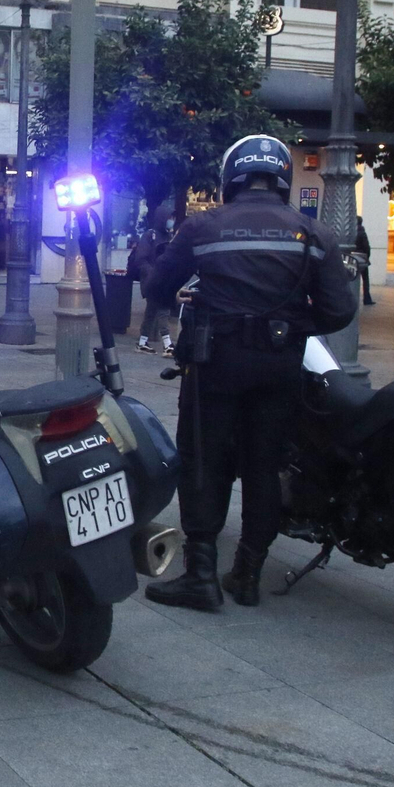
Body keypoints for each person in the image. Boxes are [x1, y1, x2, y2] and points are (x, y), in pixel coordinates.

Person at [143, 134, 356, 611]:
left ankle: (200, 576)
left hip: (214, 364)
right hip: (279, 366)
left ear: (231, 178)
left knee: (204, 460)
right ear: (282, 178)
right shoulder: (314, 233)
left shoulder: (203, 228)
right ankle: (247, 573)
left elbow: (156, 289)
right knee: (265, 466)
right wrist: (291, 324)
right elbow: (339, 312)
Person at [129, 212, 175, 356]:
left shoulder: (168, 236)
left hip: (160, 279)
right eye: (169, 218)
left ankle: (142, 343)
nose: (171, 221)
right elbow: (141, 259)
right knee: (163, 309)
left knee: (152, 311)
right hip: (154, 280)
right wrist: (154, 273)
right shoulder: (150, 235)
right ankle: (167, 345)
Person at [354, 216, 375, 305]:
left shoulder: (352, 232)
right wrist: (367, 256)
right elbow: (366, 246)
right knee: (365, 279)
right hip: (362, 257)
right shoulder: (362, 233)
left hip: (353, 257)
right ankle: (367, 298)